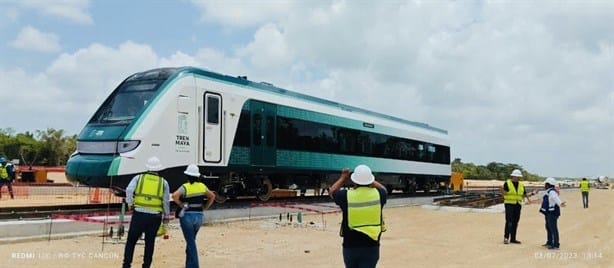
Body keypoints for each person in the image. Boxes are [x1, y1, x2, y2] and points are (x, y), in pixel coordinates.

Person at [329, 164, 387, 268]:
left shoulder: (346, 195)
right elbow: (384, 189)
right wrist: (370, 179)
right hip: (371, 246)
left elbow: (332, 192)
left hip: (350, 247)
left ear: (354, 180)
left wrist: (343, 177)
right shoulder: (379, 194)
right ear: (370, 180)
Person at [122, 156, 171, 268]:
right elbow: (166, 201)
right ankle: (146, 265)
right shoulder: (163, 183)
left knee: (131, 241)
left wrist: (130, 204)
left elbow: (129, 190)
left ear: (147, 168)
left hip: (139, 214)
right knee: (149, 243)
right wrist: (166, 216)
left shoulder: (139, 178)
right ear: (158, 169)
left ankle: (126, 265)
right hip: (155, 217)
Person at [172, 164, 215, 268]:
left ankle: (194, 266)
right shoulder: (202, 186)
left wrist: (181, 204)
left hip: (187, 216)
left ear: (187, 176)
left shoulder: (185, 187)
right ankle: (189, 265)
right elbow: (212, 196)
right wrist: (205, 207)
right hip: (199, 216)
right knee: (191, 240)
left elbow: (174, 196)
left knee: (191, 243)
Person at [500, 169, 532, 244]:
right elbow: (504, 193)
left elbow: (524, 194)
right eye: (516, 176)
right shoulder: (507, 183)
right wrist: (501, 190)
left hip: (518, 204)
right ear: (513, 176)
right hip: (509, 204)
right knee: (509, 221)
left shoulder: (521, 185)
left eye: (519, 177)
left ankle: (513, 238)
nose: (518, 178)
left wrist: (530, 197)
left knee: (515, 221)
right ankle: (506, 237)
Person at [540, 177, 565, 250]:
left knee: (553, 228)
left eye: (545, 184)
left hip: (552, 212)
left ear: (548, 185)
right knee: (548, 227)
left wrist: (560, 203)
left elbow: (555, 199)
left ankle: (556, 244)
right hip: (549, 212)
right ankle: (549, 242)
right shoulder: (549, 191)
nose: (544, 185)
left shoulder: (552, 192)